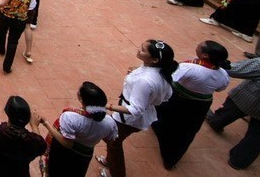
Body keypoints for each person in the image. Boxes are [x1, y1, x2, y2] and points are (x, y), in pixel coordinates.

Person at [97, 40, 178, 177]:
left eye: (143, 50)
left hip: (128, 119)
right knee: (112, 139)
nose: (139, 50)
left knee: (113, 141)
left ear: (154, 60)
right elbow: (166, 96)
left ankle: (116, 172)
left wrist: (108, 106)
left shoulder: (145, 80)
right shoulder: (160, 73)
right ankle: (110, 160)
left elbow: (135, 110)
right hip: (137, 113)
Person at [151, 41, 230, 170]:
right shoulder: (223, 75)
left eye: (200, 46)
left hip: (178, 99)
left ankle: (161, 134)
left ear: (205, 55)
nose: (197, 46)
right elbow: (220, 89)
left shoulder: (190, 67)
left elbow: (171, 78)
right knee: (187, 130)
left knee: (166, 118)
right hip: (201, 104)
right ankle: (171, 159)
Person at [37, 82, 118, 177]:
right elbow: (111, 139)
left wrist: (46, 124)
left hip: (62, 152)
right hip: (84, 155)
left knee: (55, 171)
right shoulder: (109, 122)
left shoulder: (71, 118)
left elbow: (67, 143)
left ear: (81, 99)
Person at [206, 56, 260, 169]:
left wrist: (217, 63)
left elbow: (236, 69)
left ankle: (216, 122)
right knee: (256, 136)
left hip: (248, 98)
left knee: (228, 112)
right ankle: (239, 161)